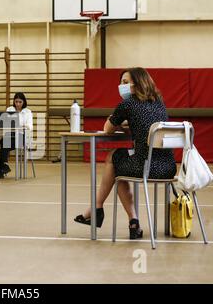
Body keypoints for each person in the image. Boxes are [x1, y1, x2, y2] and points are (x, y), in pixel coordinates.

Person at [74, 67, 176, 239]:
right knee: (119, 167)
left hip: (145, 167)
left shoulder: (127, 104)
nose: (121, 86)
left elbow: (107, 129)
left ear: (137, 84)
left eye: (125, 82)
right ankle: (128, 221)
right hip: (168, 168)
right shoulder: (159, 102)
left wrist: (115, 119)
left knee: (113, 159)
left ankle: (99, 209)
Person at [0, 92, 33, 179]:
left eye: (20, 102)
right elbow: (5, 123)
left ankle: (3, 168)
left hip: (21, 135)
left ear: (24, 102)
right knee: (3, 141)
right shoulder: (10, 109)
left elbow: (30, 126)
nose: (18, 104)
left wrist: (24, 126)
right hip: (11, 134)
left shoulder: (28, 112)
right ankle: (4, 166)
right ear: (14, 101)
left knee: (3, 143)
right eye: (16, 102)